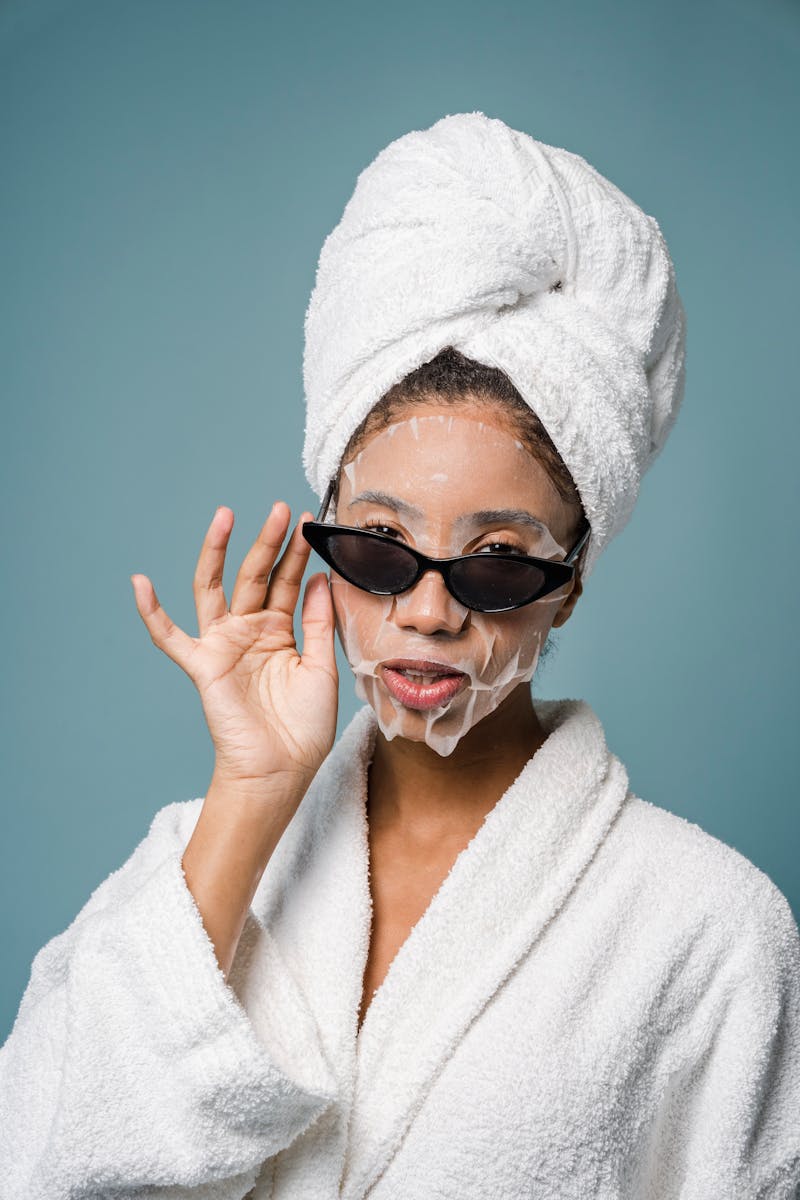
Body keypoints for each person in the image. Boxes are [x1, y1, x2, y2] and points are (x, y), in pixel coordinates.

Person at [1, 114, 798, 1200]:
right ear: (326, 536)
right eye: (379, 548)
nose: (425, 610)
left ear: (570, 583)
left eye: (496, 561)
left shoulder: (709, 929)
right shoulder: (198, 863)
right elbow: (35, 1161)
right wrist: (252, 793)